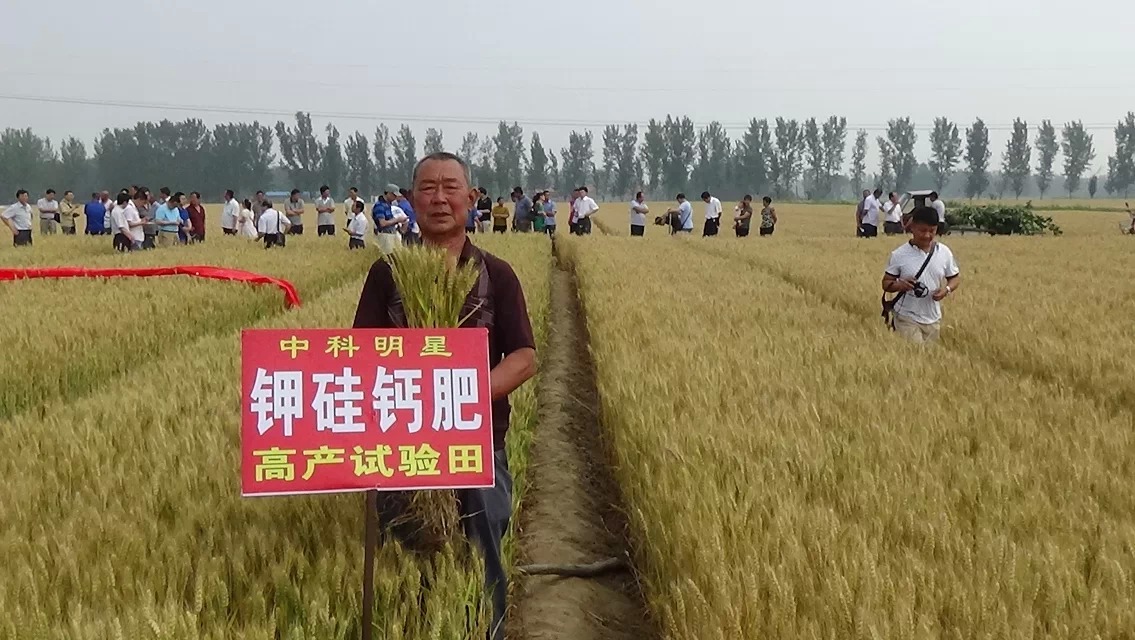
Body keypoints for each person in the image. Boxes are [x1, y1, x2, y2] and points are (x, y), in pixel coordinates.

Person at [352, 151, 537, 640]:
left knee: (484, 555)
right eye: (428, 188)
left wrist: (462, 396)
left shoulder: (497, 274)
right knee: (408, 557)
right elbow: (359, 354)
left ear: (471, 198)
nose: (439, 198)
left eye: (450, 187)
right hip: (401, 445)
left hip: (477, 442)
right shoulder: (386, 274)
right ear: (411, 200)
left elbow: (523, 356)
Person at [881, 205, 961, 344]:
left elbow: (954, 278)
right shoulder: (899, 255)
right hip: (906, 317)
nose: (927, 235)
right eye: (922, 230)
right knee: (915, 355)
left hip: (933, 318)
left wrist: (946, 290)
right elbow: (886, 283)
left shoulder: (944, 252)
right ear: (912, 227)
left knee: (929, 360)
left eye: (932, 231)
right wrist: (900, 285)